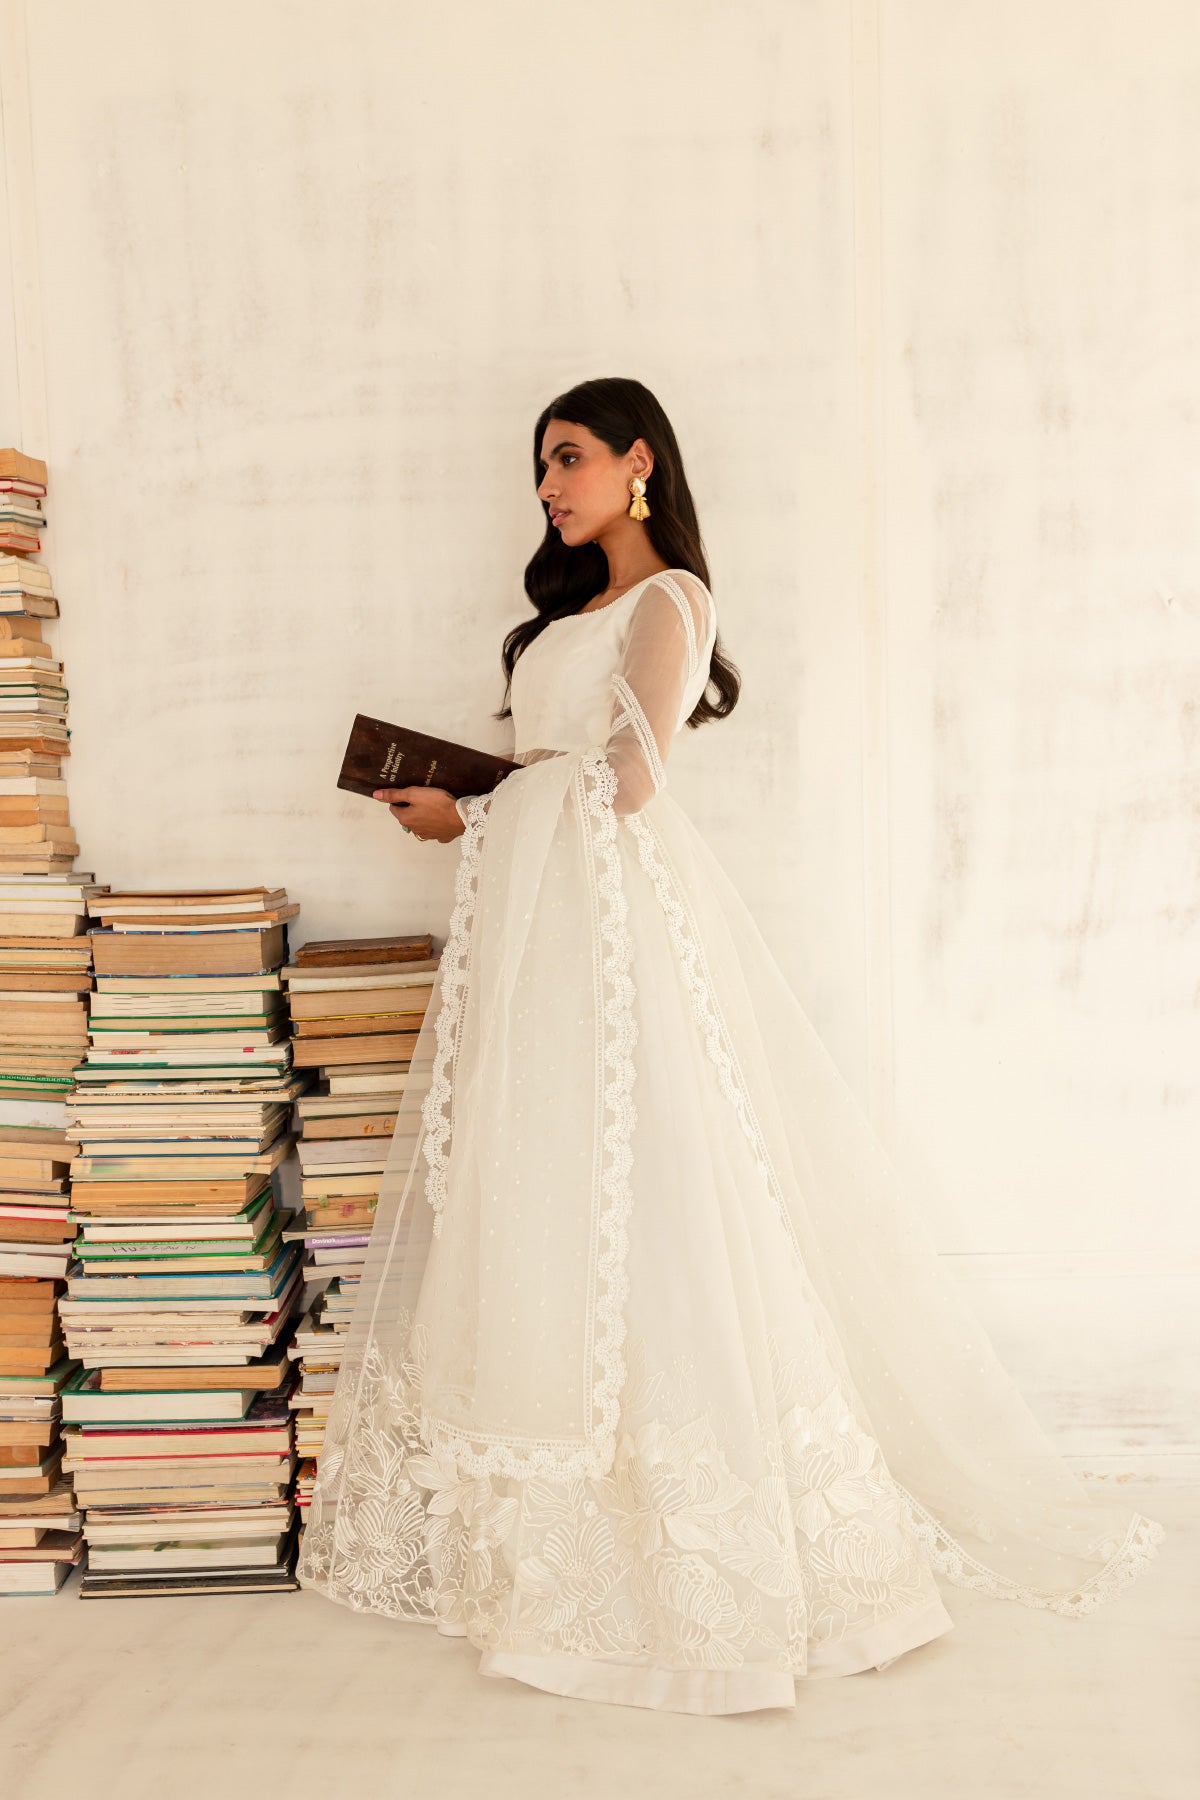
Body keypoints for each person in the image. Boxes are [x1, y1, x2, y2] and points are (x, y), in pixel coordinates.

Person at [295, 376, 1164, 1715]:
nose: (548, 486)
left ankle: (696, 1556)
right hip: (538, 940)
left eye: (570, 458)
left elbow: (627, 784)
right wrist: (456, 810)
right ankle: (553, 1549)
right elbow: (554, 774)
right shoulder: (562, 622)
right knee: (550, 1202)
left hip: (617, 931)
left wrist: (478, 812)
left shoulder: (671, 603)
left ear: (641, 464)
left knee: (657, 1203)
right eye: (540, 467)